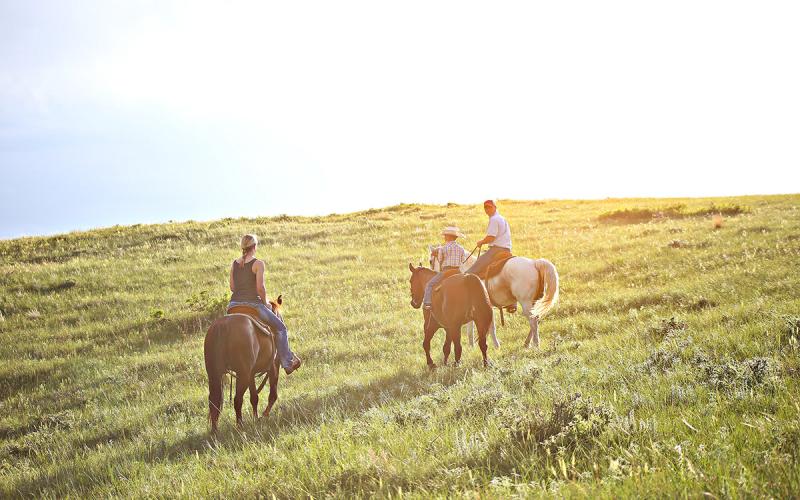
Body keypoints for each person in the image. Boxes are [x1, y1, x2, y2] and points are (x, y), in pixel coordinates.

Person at [227, 234, 302, 374]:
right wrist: (266, 303)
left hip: (233, 306)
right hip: (253, 305)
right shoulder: (258, 264)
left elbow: (232, 287)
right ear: (254, 247)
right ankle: (287, 363)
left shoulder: (234, 264)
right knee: (280, 328)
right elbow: (260, 288)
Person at [423, 226, 467, 309]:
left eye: (446, 235)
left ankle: (427, 304)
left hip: (447, 271)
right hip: (458, 271)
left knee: (429, 284)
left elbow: (440, 260)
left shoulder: (443, 248)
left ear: (449, 237)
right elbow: (463, 260)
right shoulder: (461, 249)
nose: (444, 237)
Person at [465, 200, 512, 276]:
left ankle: (467, 277)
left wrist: (481, 242)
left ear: (495, 207)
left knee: (474, 268)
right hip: (507, 249)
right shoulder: (502, 218)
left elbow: (491, 237)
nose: (487, 209)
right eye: (486, 208)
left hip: (497, 249)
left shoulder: (494, 219)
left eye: (490, 207)